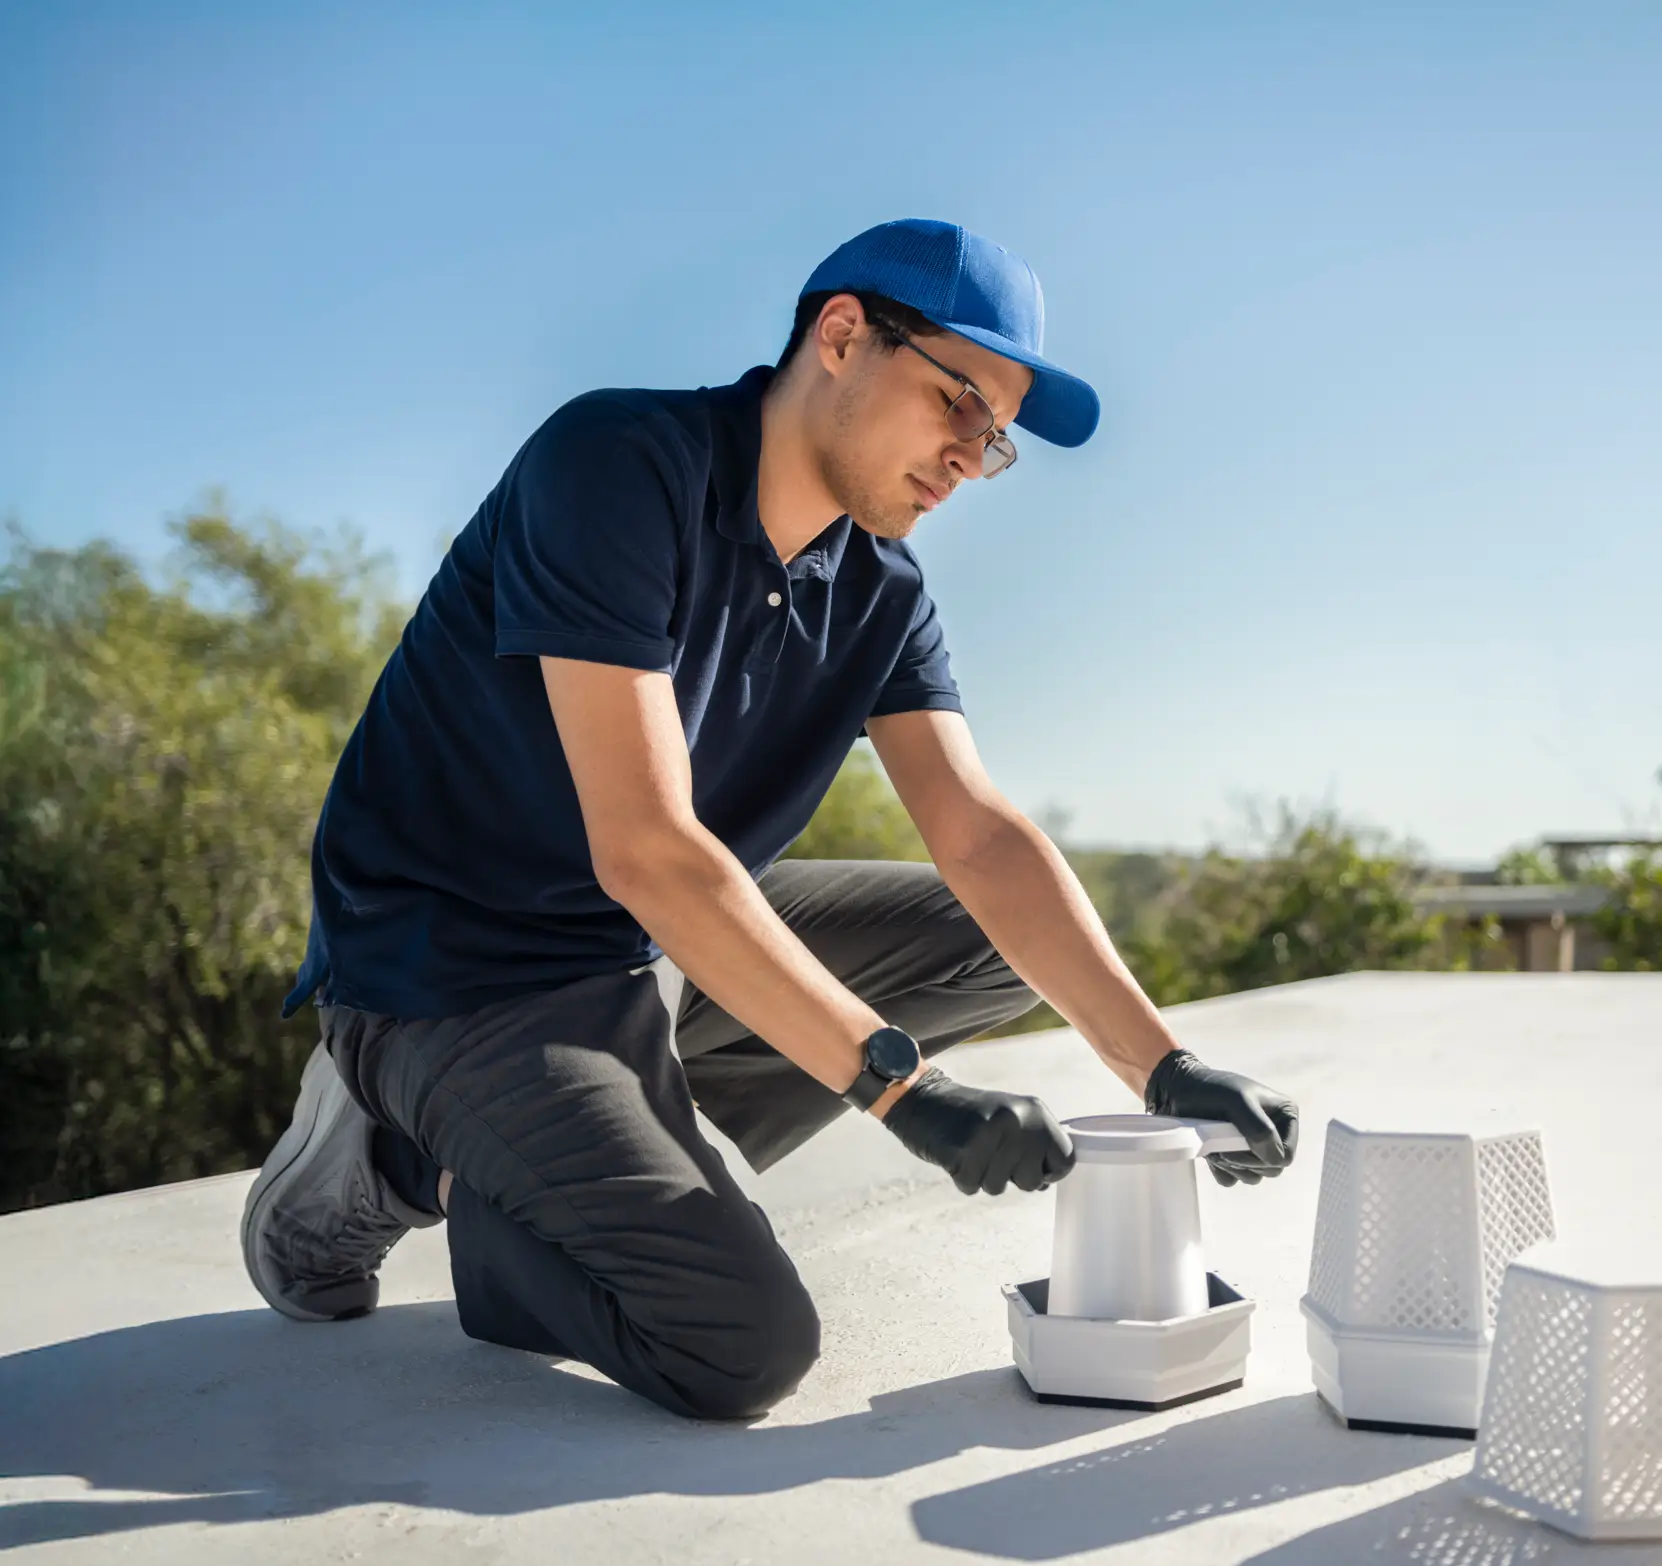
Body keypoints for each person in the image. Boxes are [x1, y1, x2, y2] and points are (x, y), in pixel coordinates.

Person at [239, 218, 1299, 1421]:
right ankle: (400, 1152)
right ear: (841, 335)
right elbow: (645, 846)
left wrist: (1167, 1067)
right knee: (739, 1345)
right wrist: (895, 1086)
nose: (970, 455)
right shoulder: (617, 466)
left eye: (994, 437)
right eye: (959, 401)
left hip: (649, 953)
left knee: (987, 935)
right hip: (454, 968)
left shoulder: (881, 591)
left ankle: (578, 1158)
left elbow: (983, 837)